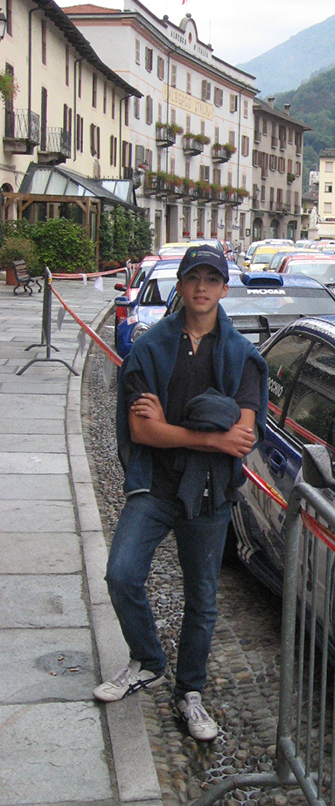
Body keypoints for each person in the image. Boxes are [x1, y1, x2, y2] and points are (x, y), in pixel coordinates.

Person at [94, 245, 268, 740]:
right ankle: (148, 661)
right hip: (155, 484)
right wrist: (210, 434)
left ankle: (189, 692)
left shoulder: (242, 357)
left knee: (202, 601)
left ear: (224, 289)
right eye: (194, 277)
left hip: (210, 492)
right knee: (121, 574)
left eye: (211, 279)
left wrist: (178, 428)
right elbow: (142, 431)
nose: (201, 287)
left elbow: (242, 437)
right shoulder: (150, 348)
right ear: (182, 284)